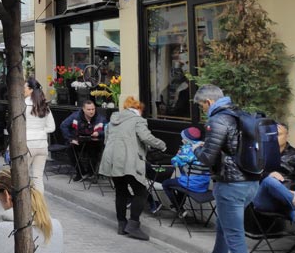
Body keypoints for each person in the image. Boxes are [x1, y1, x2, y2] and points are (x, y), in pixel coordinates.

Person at [192, 84, 264, 253]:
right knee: (225, 230)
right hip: (251, 183)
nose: (203, 110)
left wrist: (194, 149)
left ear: (209, 102)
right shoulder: (238, 115)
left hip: (231, 186)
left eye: (202, 106)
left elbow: (207, 159)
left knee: (235, 240)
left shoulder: (218, 120)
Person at [99, 96, 166, 241]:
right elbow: (146, 137)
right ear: (137, 109)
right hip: (128, 160)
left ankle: (121, 224)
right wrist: (162, 145)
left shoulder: (113, 121)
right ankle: (133, 224)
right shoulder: (138, 120)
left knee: (121, 192)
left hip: (112, 160)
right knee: (140, 191)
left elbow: (106, 139)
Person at [161, 126, 209, 215]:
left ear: (187, 139)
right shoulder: (205, 148)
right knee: (181, 182)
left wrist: (177, 155)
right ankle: (179, 206)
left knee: (166, 184)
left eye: (183, 138)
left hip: (190, 184)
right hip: (203, 185)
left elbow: (175, 163)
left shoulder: (186, 149)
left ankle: (178, 207)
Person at [252, 123, 295, 222]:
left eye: (278, 134)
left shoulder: (293, 155)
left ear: (287, 135)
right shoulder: (259, 153)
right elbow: (250, 173)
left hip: (287, 201)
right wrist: (267, 174)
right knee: (270, 180)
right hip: (264, 199)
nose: (274, 138)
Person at [60, 100, 106, 181]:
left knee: (94, 150)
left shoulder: (101, 118)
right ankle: (81, 172)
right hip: (79, 140)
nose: (91, 111)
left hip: (94, 142)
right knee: (70, 149)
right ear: (83, 109)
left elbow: (108, 130)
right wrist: (70, 139)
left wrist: (99, 133)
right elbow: (63, 125)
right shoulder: (75, 116)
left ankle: (91, 172)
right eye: (89, 109)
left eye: (93, 109)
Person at [24, 77, 55, 193]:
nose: (23, 90)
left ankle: (24, 206)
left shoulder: (24, 105)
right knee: (38, 178)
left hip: (27, 144)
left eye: (25, 87)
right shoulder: (44, 105)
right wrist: (40, 131)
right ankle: (39, 206)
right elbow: (52, 127)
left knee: (23, 177)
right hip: (42, 145)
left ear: (31, 90)